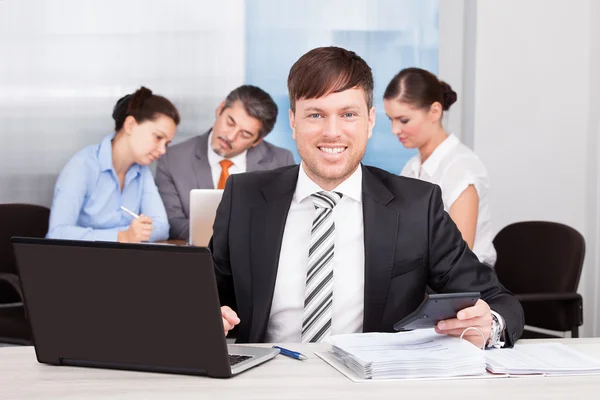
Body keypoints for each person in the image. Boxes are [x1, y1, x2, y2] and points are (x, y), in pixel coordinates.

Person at [211, 47, 524, 348]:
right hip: (267, 380)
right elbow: (205, 296)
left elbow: (499, 301)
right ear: (293, 121)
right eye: (316, 115)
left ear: (370, 120)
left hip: (372, 383)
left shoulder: (417, 205)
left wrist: (491, 323)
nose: (332, 132)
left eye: (348, 114)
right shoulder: (244, 197)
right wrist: (203, 316)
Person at [383, 68, 497, 266]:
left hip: (464, 285)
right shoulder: (412, 167)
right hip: (425, 277)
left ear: (434, 111)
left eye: (403, 120)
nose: (395, 130)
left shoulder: (462, 169)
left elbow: (459, 258)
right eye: (391, 120)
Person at [155, 85, 296, 240]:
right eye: (230, 122)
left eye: (245, 134)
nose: (230, 136)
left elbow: (285, 222)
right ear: (220, 108)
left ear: (257, 140)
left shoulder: (281, 161)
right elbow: (173, 222)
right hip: (198, 257)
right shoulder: (172, 159)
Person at [47, 87, 178, 243]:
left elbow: (162, 228)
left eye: (167, 144)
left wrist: (132, 235)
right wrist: (122, 236)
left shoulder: (142, 173)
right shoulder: (82, 166)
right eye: (158, 137)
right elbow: (57, 233)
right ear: (130, 125)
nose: (162, 150)